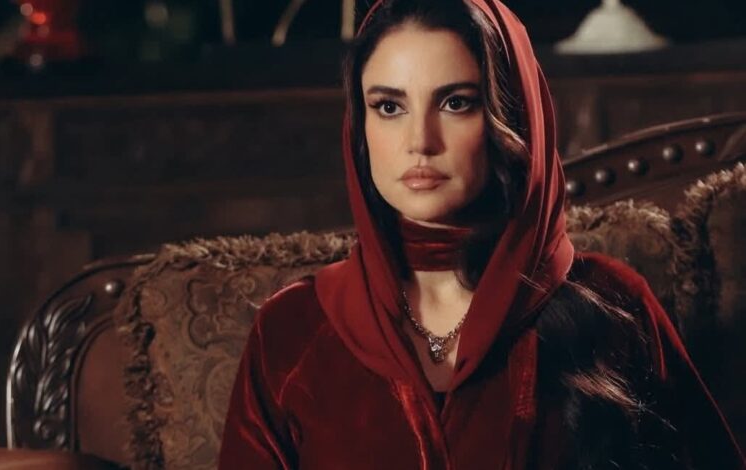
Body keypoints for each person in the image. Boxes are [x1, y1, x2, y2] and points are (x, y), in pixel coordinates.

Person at [218, 0, 745, 468]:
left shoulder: (614, 305)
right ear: (360, 127)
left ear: (510, 118)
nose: (420, 141)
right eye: (389, 107)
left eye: (456, 102)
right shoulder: (293, 329)